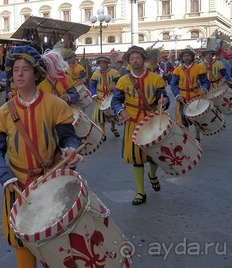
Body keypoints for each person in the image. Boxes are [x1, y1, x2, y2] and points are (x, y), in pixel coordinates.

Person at [0, 45, 83, 268]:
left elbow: (69, 138)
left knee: (54, 237)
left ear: (37, 74)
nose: (18, 74)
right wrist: (5, 175)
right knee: (21, 239)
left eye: (25, 69)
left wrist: (70, 149)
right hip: (18, 184)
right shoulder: (2, 113)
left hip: (52, 180)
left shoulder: (55, 104)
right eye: (15, 69)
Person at [111, 46, 170, 206]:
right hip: (133, 121)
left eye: (138, 58)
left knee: (155, 153)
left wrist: (164, 101)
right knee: (137, 157)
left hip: (152, 120)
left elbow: (162, 96)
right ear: (128, 62)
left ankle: (152, 174)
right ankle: (140, 192)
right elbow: (115, 101)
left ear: (144, 60)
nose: (135, 61)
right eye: (132, 58)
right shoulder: (123, 81)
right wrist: (120, 110)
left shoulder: (156, 78)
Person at [170, 48, 210, 142]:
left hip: (195, 95)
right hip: (182, 97)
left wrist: (204, 89)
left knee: (197, 117)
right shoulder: (178, 69)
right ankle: (187, 137)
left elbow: (205, 82)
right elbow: (173, 84)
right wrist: (177, 95)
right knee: (183, 116)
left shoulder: (199, 68)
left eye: (188, 56)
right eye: (184, 56)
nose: (187, 58)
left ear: (192, 57)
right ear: (181, 58)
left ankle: (197, 136)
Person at [89, 56, 121, 139]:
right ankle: (103, 133)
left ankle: (113, 128)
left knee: (112, 114)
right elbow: (92, 86)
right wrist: (94, 94)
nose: (102, 65)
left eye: (104, 63)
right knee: (100, 117)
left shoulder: (114, 73)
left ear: (108, 63)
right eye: (100, 63)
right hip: (100, 97)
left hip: (111, 96)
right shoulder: (95, 74)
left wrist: (115, 88)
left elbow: (120, 84)